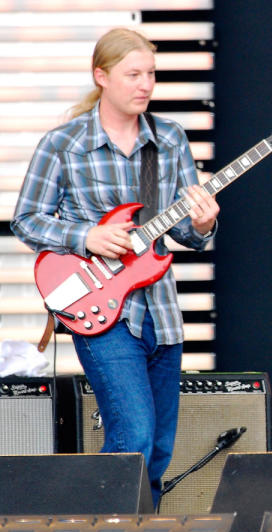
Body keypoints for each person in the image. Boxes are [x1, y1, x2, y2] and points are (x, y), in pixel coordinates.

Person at [10, 28, 219, 507]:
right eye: (133, 74)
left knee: (159, 451)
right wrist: (86, 235)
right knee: (134, 438)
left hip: (161, 314)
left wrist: (203, 224)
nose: (145, 84)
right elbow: (25, 220)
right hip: (102, 314)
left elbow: (183, 233)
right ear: (101, 76)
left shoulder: (168, 139)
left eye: (151, 74)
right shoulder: (63, 143)